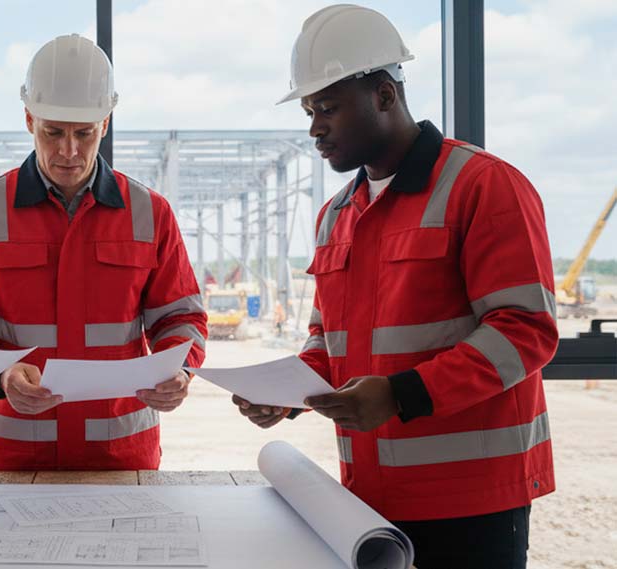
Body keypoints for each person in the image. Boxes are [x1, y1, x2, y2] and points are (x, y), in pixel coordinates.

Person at [232, 6, 558, 568]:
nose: (313, 128)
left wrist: (400, 394)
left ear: (384, 94)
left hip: (473, 505)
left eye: (327, 108)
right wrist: (286, 397)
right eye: (310, 110)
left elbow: (525, 331)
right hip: (367, 498)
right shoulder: (337, 214)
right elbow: (328, 341)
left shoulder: (483, 187)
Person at [0, 34, 207, 471]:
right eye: (53, 132)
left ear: (106, 124)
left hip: (120, 455)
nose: (68, 151)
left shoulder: (151, 213)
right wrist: (0, 376)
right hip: (13, 455)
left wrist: (180, 369)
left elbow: (181, 317)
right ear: (28, 119)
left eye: (84, 133)